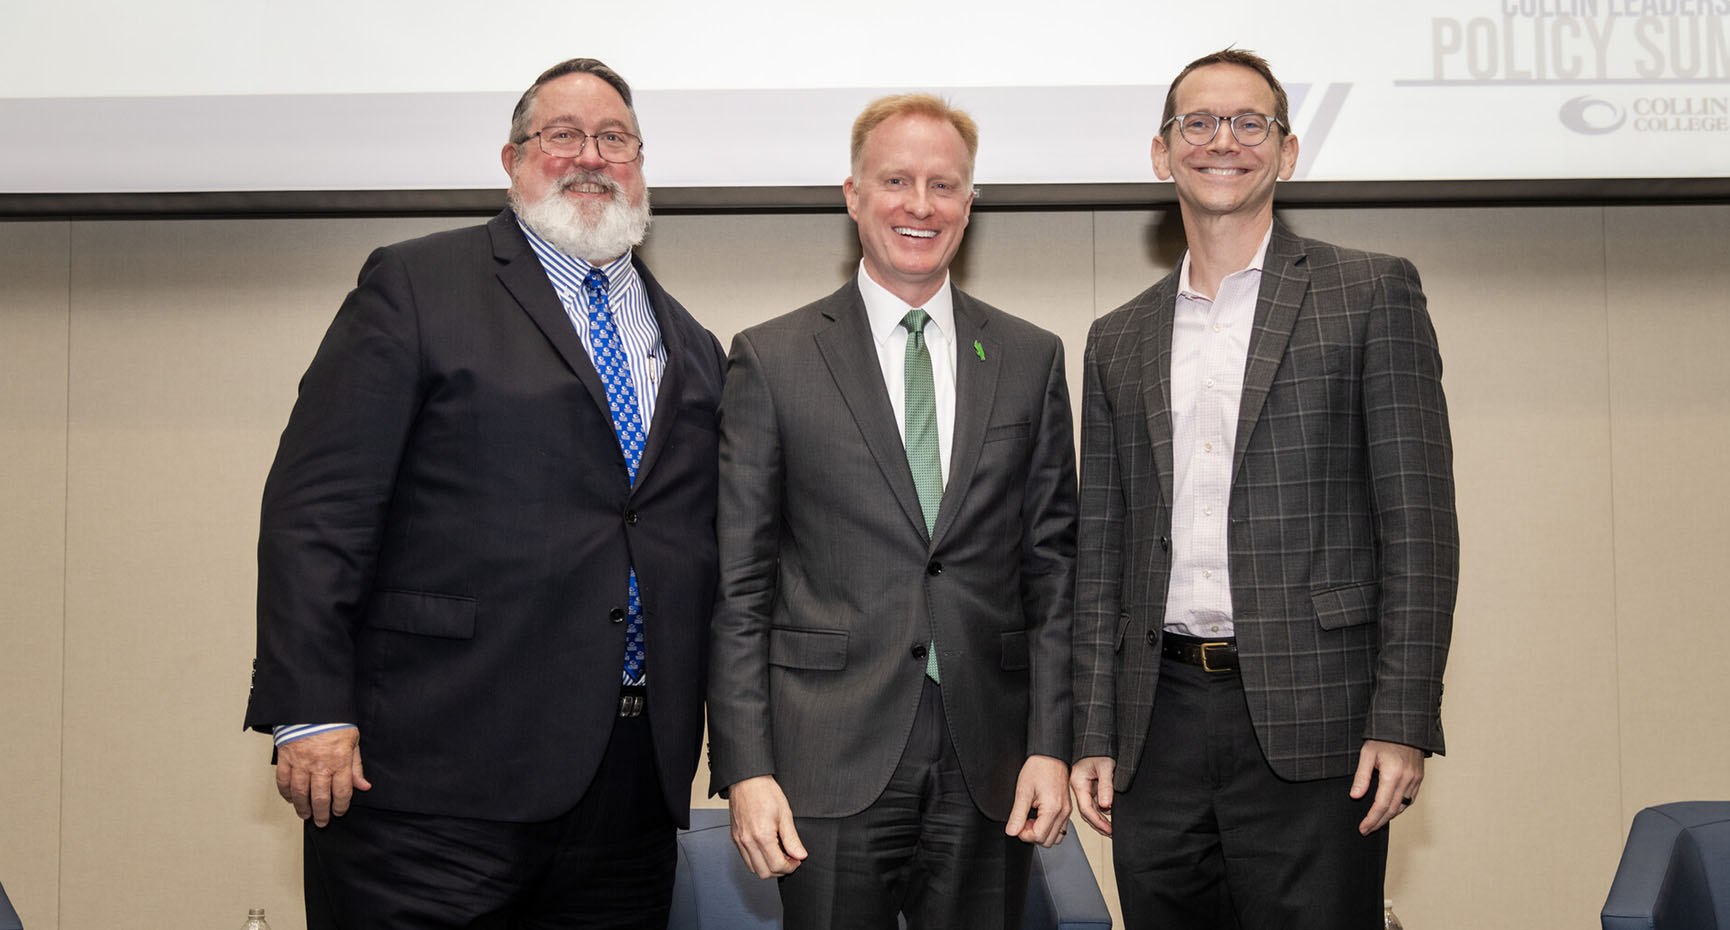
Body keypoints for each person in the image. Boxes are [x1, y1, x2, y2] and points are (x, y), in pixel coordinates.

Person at [242, 57, 725, 929]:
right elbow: (318, 508)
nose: (591, 155)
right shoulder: (418, 286)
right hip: (430, 780)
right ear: (511, 160)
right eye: (563, 135)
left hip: (625, 792)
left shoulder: (690, 341)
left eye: (615, 138)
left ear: (641, 163)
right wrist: (308, 708)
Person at [1070, 49, 1459, 930]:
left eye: (1251, 123)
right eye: (1198, 124)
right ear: (1162, 153)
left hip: (1321, 720)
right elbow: (1101, 551)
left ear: (1286, 152)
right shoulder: (1116, 338)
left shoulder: (1370, 294)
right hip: (1155, 726)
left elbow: (1421, 529)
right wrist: (1093, 728)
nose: (1223, 142)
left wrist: (1403, 717)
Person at [706, 93, 1077, 930]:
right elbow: (739, 585)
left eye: (943, 185)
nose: (920, 205)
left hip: (991, 759)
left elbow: (1054, 573)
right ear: (852, 194)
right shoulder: (772, 358)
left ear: (970, 203)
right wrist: (746, 767)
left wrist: (1052, 743)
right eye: (896, 181)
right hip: (823, 759)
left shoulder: (1029, 357)